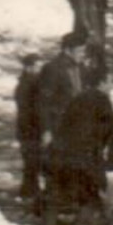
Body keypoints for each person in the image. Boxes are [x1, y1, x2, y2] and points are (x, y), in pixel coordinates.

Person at [44, 51, 113, 225]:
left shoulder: (79, 98)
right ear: (102, 82)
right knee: (93, 193)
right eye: (110, 81)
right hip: (81, 157)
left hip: (57, 154)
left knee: (57, 195)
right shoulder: (101, 99)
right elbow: (111, 129)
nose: (111, 85)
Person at [37, 34, 88, 183]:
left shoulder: (79, 67)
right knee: (58, 164)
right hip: (59, 123)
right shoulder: (52, 68)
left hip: (77, 124)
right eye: (80, 51)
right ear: (67, 50)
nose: (83, 55)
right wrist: (46, 129)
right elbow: (43, 101)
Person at [14, 53, 44, 212]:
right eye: (37, 66)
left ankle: (29, 192)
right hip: (29, 130)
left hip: (27, 130)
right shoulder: (27, 85)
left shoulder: (27, 83)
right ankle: (29, 194)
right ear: (28, 67)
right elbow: (29, 110)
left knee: (31, 164)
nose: (39, 69)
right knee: (32, 163)